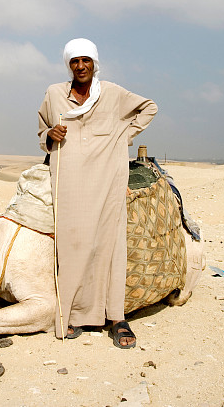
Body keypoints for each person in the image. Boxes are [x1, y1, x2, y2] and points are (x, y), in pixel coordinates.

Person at [37, 38, 157, 348]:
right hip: (69, 181)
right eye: (74, 61)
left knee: (108, 244)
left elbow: (149, 108)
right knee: (74, 244)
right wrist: (50, 134)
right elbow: (41, 130)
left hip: (107, 181)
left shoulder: (114, 94)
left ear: (94, 63)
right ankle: (74, 315)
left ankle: (116, 317)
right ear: (69, 65)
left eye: (85, 60)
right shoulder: (54, 94)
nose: (80, 66)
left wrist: (123, 136)